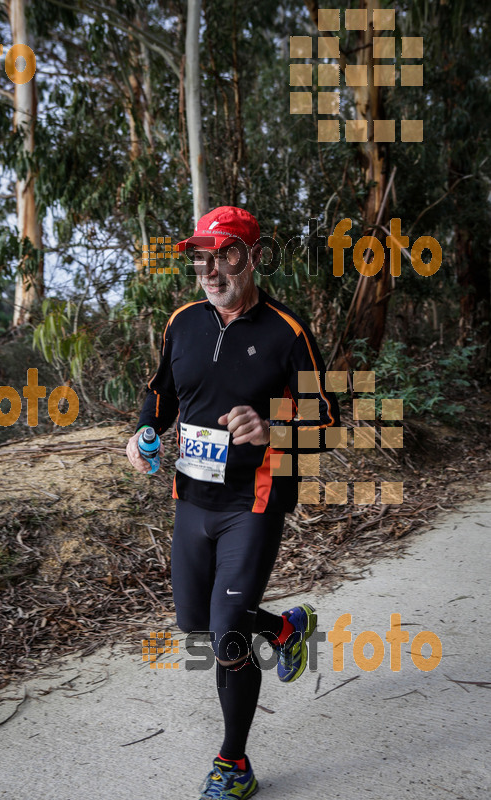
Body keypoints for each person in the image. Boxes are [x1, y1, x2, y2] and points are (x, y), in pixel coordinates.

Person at [126, 206, 341, 799]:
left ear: (252, 257)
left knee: (225, 637)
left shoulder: (286, 332)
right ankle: (285, 630)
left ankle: (233, 762)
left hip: (256, 499)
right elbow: (161, 394)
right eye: (202, 255)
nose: (211, 268)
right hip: (191, 497)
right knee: (195, 622)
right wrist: (143, 431)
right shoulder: (183, 323)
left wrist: (272, 424)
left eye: (225, 254)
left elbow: (328, 419)